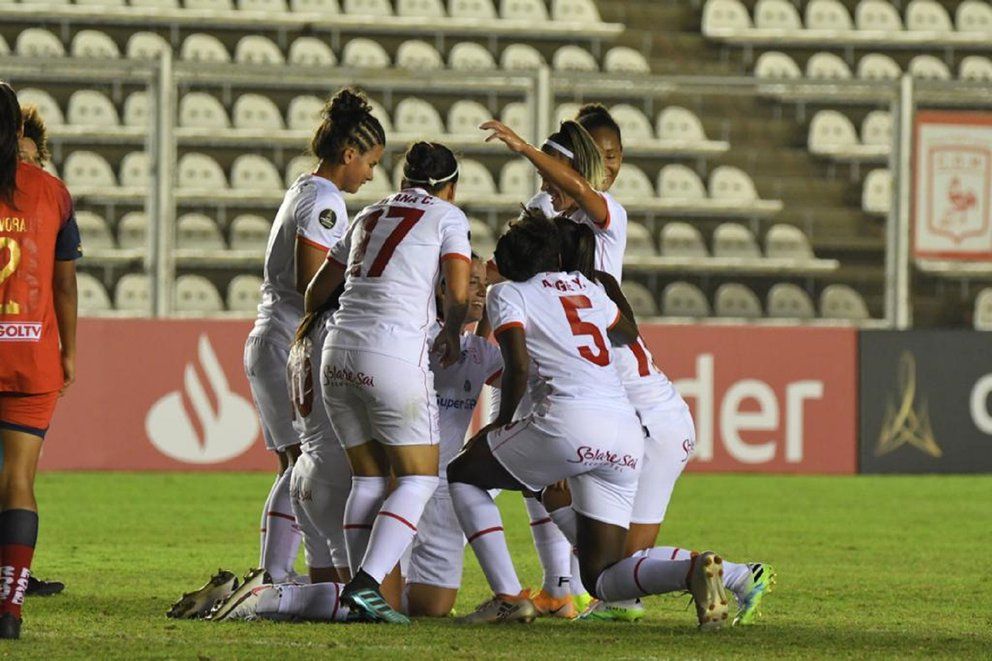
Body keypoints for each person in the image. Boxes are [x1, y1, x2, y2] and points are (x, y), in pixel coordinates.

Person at [446, 211, 729, 630]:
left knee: (463, 474)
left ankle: (507, 598)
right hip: (623, 431)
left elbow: (517, 367)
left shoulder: (509, 294)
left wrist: (501, 423)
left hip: (568, 421)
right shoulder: (585, 286)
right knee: (601, 577)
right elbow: (627, 332)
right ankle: (690, 571)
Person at [204, 257, 501, 623]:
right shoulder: (380, 338)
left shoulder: (314, 330)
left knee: (363, 603)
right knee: (372, 603)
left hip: (307, 479)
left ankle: (255, 594)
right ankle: (269, 597)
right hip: (350, 481)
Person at [552, 218, 775, 625]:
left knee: (617, 562)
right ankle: (624, 599)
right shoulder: (601, 288)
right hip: (664, 420)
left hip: (646, 429)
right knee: (562, 503)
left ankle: (741, 574)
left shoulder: (564, 304)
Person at [302, 141, 471, 624]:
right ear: (450, 187)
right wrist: (454, 334)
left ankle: (365, 596)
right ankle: (367, 582)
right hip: (393, 353)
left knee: (369, 476)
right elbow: (458, 292)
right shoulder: (447, 216)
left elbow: (315, 291)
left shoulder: (368, 214)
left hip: (336, 355)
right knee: (418, 477)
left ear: (403, 181)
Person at [479, 114, 626, 617]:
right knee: (538, 477)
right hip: (541, 350)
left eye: (553, 174)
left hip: (589, 361)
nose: (547, 186)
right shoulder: (544, 208)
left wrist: (521, 146)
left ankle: (599, 585)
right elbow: (505, 266)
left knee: (571, 477)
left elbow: (574, 188)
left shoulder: (606, 215)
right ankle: (562, 585)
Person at [242, 87, 384, 585]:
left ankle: (282, 571)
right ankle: (275, 574)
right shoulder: (325, 200)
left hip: (272, 338)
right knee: (306, 463)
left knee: (297, 463)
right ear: (349, 154)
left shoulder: (304, 188)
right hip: (287, 340)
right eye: (369, 162)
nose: (370, 174)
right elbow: (311, 280)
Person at [0, 81, 82, 639]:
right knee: (19, 481)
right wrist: (69, 351)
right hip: (31, 355)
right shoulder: (52, 192)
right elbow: (65, 284)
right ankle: (10, 609)